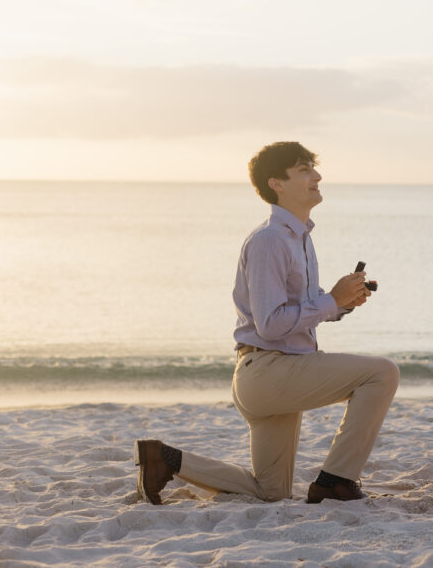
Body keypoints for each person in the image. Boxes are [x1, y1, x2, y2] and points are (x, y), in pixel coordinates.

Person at [134, 141, 399, 505]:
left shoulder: (300, 239)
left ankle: (165, 459)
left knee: (270, 492)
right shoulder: (270, 239)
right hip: (269, 370)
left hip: (275, 375)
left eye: (313, 168)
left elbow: (305, 307)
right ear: (277, 183)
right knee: (382, 373)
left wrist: (343, 304)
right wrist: (331, 300)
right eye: (304, 169)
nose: (317, 176)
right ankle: (335, 481)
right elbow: (271, 323)